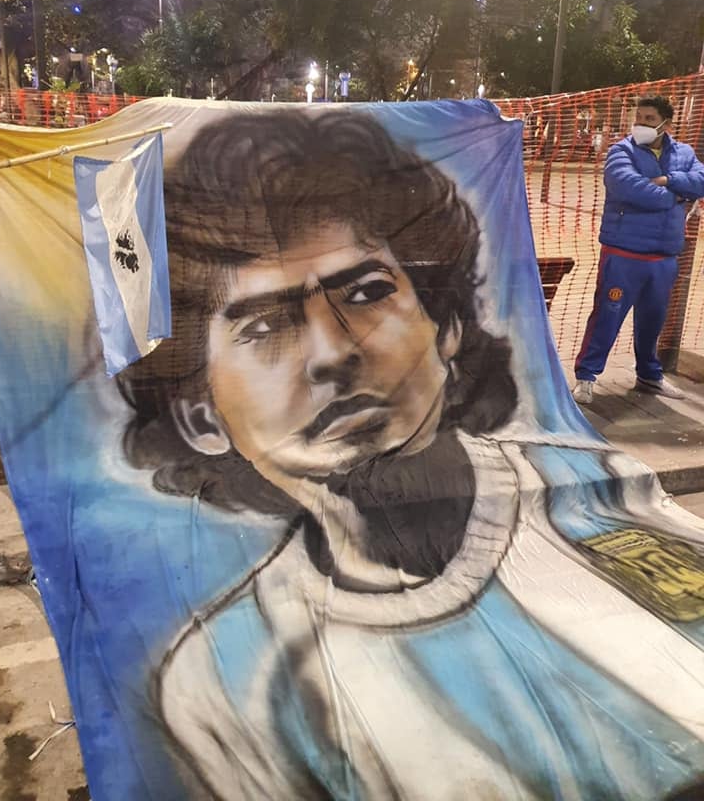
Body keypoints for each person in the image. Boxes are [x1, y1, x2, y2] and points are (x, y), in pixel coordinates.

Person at [117, 110, 704, 800]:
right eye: (265, 325)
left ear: (447, 326)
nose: (335, 352)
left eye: (366, 293)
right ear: (198, 412)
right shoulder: (220, 682)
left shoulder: (591, 486)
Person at [573, 95, 704, 405]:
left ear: (666, 124)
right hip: (623, 254)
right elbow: (626, 186)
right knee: (607, 317)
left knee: (653, 320)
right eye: (638, 117)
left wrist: (668, 179)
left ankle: (649, 373)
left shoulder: (684, 153)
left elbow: (701, 181)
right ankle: (586, 377)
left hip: (664, 257)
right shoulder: (622, 151)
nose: (640, 124)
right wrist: (675, 197)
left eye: (648, 118)